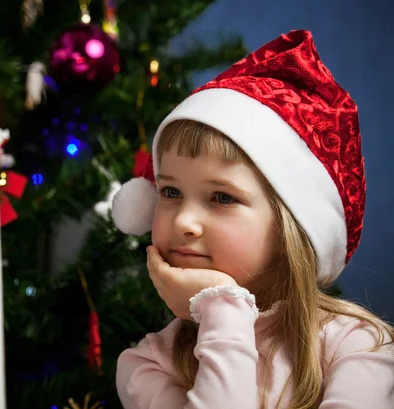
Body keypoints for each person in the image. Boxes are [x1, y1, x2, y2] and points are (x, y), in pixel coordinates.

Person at [110, 30, 394, 409]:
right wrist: (222, 309)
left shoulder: (358, 347)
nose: (184, 222)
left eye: (222, 197)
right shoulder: (148, 365)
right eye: (171, 192)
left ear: (291, 225)